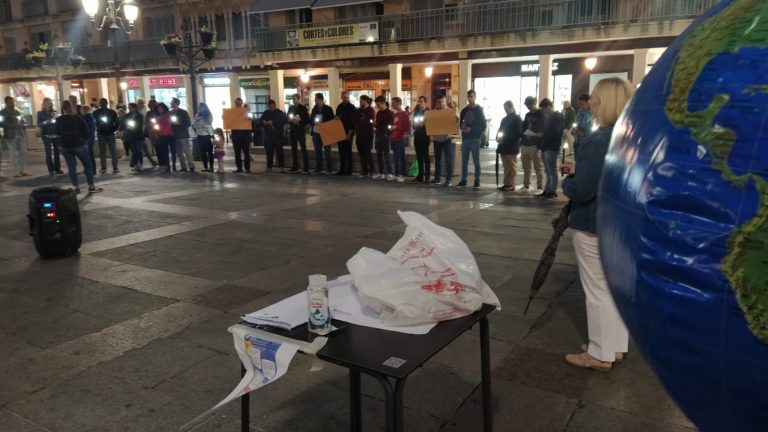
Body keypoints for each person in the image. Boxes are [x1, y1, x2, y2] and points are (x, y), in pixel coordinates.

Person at [562, 77, 634, 372]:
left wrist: (569, 181)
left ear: (605, 102)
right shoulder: (630, 135)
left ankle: (599, 353)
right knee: (614, 289)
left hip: (593, 221)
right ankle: (614, 346)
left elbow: (583, 189)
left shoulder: (599, 138)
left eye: (594, 98)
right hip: (619, 223)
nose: (589, 102)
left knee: (596, 291)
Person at [55, 100, 102, 194]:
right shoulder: (77, 118)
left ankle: (76, 187)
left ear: (62, 108)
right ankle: (91, 186)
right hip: (78, 144)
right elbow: (86, 131)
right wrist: (84, 140)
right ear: (72, 108)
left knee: (71, 167)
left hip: (65, 145)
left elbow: (56, 132)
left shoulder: (59, 119)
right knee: (88, 165)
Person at [537, 99, 565, 199]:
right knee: (548, 171)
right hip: (545, 147)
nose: (543, 111)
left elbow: (557, 132)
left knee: (552, 171)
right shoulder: (549, 117)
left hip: (551, 147)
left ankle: (552, 191)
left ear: (549, 106)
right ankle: (547, 189)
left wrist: (544, 134)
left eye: (544, 109)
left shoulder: (557, 116)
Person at [458, 89, 486, 188]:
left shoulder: (479, 109)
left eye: (472, 96)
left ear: (475, 97)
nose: (470, 98)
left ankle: (477, 179)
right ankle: (463, 179)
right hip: (466, 138)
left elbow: (483, 125)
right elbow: (461, 124)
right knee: (464, 160)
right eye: (468, 97)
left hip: (475, 138)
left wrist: (472, 129)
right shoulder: (464, 110)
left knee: (476, 160)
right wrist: (463, 127)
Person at [496, 101, 523, 192]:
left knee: (511, 166)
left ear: (511, 107)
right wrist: (498, 137)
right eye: (504, 109)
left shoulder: (517, 119)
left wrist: (506, 138)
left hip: (512, 146)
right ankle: (506, 183)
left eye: (507, 109)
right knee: (506, 166)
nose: (505, 111)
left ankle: (511, 184)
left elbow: (518, 134)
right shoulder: (504, 119)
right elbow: (500, 130)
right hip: (503, 146)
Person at [520, 96, 545, 191]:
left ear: (534, 103)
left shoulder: (541, 114)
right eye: (526, 105)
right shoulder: (527, 115)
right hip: (525, 143)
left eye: (529, 105)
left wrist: (535, 134)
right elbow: (524, 126)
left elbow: (542, 129)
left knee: (538, 167)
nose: (528, 107)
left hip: (534, 144)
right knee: (526, 167)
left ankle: (540, 186)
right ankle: (526, 185)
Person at [430, 94, 456, 187]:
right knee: (437, 159)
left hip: (447, 139)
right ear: (436, 102)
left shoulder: (449, 112)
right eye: (439, 102)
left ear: (445, 101)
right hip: (437, 139)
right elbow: (430, 125)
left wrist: (451, 133)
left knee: (448, 160)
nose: (440, 104)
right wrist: (431, 135)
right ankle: (437, 178)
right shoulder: (433, 112)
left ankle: (448, 179)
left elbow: (455, 123)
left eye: (442, 102)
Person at [1, 96, 30, 177]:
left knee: (23, 152)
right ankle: (16, 171)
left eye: (13, 102)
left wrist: (22, 124)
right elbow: (2, 123)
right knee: (13, 153)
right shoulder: (2, 112)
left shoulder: (17, 111)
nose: (12, 103)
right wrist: (13, 125)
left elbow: (22, 120)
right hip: (10, 135)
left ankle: (22, 169)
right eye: (10, 102)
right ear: (6, 103)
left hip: (20, 133)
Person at [93, 98, 120, 174]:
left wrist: (114, 129)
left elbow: (117, 121)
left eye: (104, 102)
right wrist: (98, 128)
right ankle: (104, 166)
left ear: (107, 103)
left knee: (112, 151)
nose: (103, 104)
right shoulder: (96, 112)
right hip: (102, 133)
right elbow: (94, 122)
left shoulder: (111, 112)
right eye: (102, 102)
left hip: (109, 133)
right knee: (103, 151)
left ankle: (114, 166)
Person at [310, 93, 335, 174]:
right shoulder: (314, 109)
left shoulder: (328, 108)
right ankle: (318, 167)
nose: (315, 100)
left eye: (316, 99)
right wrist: (314, 122)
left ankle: (329, 168)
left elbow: (332, 120)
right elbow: (311, 119)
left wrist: (323, 122)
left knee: (327, 150)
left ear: (320, 99)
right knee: (317, 151)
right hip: (316, 132)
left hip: (325, 131)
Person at [260, 99, 288, 172]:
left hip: (277, 136)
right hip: (268, 136)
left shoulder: (280, 113)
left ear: (274, 105)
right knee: (269, 152)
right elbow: (260, 121)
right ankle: (269, 166)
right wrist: (264, 122)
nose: (271, 108)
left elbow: (284, 120)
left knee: (279, 151)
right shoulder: (266, 113)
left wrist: (273, 122)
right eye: (269, 107)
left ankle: (281, 166)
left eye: (272, 107)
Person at [37, 97, 63, 177]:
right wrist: (46, 122)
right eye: (47, 102)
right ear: (44, 104)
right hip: (46, 134)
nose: (49, 104)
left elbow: (58, 122)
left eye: (50, 102)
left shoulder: (54, 112)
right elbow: (39, 124)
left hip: (55, 134)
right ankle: (50, 169)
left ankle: (57, 168)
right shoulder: (40, 113)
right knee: (48, 152)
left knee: (57, 152)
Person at [353, 95, 375, 178]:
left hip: (368, 135)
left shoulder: (371, 110)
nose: (360, 102)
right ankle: (364, 171)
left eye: (361, 100)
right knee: (361, 154)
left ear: (365, 101)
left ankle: (371, 170)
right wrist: (361, 119)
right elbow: (354, 119)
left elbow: (370, 121)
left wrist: (362, 120)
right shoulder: (358, 110)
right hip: (359, 135)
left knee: (368, 153)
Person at [287, 94, 310, 173]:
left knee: (303, 149)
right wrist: (290, 119)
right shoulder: (291, 108)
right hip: (293, 131)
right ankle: (295, 166)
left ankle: (306, 167)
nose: (293, 100)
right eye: (292, 99)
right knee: (294, 149)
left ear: (299, 99)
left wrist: (299, 122)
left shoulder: (303, 108)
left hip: (300, 131)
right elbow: (288, 117)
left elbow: (307, 119)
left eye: (294, 99)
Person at [335, 91, 357, 176]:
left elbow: (353, 122)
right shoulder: (339, 107)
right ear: (341, 97)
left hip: (348, 132)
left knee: (348, 151)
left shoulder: (352, 107)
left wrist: (350, 133)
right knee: (341, 151)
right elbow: (336, 118)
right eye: (344, 97)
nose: (346, 99)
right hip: (340, 132)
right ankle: (342, 169)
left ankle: (349, 170)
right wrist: (336, 117)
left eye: (347, 97)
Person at [170, 98, 194, 172]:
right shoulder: (170, 113)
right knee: (179, 152)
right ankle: (183, 167)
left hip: (183, 134)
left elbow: (188, 123)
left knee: (186, 151)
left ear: (177, 103)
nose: (171, 104)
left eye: (172, 103)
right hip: (175, 135)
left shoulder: (183, 112)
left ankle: (191, 166)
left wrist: (178, 123)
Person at [119, 103, 145, 172]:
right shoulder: (128, 115)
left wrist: (134, 128)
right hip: (131, 135)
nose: (129, 108)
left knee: (139, 151)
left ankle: (141, 164)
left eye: (130, 107)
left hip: (138, 135)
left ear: (134, 108)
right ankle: (136, 164)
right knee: (134, 151)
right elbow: (123, 122)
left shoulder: (139, 115)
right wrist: (121, 128)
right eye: (128, 107)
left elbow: (140, 125)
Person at [390, 97, 410, 182]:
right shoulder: (395, 114)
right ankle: (396, 173)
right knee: (395, 157)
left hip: (400, 139)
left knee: (400, 157)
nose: (392, 105)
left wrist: (397, 127)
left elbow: (406, 128)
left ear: (398, 103)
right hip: (393, 138)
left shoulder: (404, 115)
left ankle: (401, 174)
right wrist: (391, 128)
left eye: (393, 103)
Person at [373, 96, 393, 180]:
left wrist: (386, 132)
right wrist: (375, 124)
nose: (377, 106)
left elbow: (390, 125)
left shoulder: (389, 113)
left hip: (386, 136)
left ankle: (390, 173)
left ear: (383, 103)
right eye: (377, 104)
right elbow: (378, 124)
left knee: (386, 155)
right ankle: (381, 172)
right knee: (379, 155)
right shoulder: (379, 113)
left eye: (378, 104)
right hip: (378, 135)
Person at [230, 97, 252, 173]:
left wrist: (249, 114)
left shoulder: (246, 111)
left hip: (245, 135)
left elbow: (251, 119)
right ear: (235, 103)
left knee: (246, 152)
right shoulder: (232, 112)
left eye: (239, 103)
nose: (238, 104)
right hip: (236, 135)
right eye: (237, 103)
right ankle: (239, 168)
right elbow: (227, 120)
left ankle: (247, 168)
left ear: (241, 103)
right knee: (237, 153)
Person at [412, 96, 430, 183]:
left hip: (425, 137)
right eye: (418, 101)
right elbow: (413, 125)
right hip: (417, 136)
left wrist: (423, 124)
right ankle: (420, 175)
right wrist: (415, 125)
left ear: (425, 102)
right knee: (419, 157)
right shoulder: (416, 112)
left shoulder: (428, 111)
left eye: (421, 101)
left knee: (425, 156)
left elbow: (430, 124)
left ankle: (427, 176)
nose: (419, 103)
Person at [136, 99, 158, 167]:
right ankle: (139, 164)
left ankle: (150, 161)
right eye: (140, 103)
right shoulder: (137, 112)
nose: (142, 105)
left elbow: (145, 123)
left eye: (143, 104)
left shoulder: (143, 112)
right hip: (138, 133)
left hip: (142, 133)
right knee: (139, 149)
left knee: (144, 148)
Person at [194, 102, 215, 172]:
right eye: (200, 107)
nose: (201, 108)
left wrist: (200, 124)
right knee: (203, 152)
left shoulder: (209, 115)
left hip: (208, 135)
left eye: (202, 107)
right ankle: (205, 167)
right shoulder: (197, 115)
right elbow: (194, 125)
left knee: (210, 152)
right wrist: (198, 121)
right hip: (200, 135)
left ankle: (211, 167)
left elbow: (209, 124)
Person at [154, 102, 174, 173]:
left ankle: (167, 166)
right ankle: (164, 165)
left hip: (167, 135)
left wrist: (163, 132)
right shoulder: (158, 116)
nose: (159, 109)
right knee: (162, 151)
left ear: (163, 108)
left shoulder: (167, 115)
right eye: (158, 108)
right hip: (161, 134)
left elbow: (169, 124)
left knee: (166, 151)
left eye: (160, 108)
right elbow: (156, 126)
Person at [143, 99, 160, 170]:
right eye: (150, 105)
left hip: (159, 132)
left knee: (160, 148)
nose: (152, 106)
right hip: (152, 133)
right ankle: (160, 162)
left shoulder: (158, 112)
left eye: (153, 105)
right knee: (156, 147)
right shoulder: (148, 113)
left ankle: (163, 162)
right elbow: (146, 123)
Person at [81, 105, 97, 176]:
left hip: (88, 139)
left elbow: (89, 129)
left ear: (85, 110)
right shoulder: (89, 117)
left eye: (81, 110)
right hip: (89, 138)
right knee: (89, 155)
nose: (80, 111)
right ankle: (91, 169)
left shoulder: (87, 118)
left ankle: (91, 170)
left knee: (88, 155)